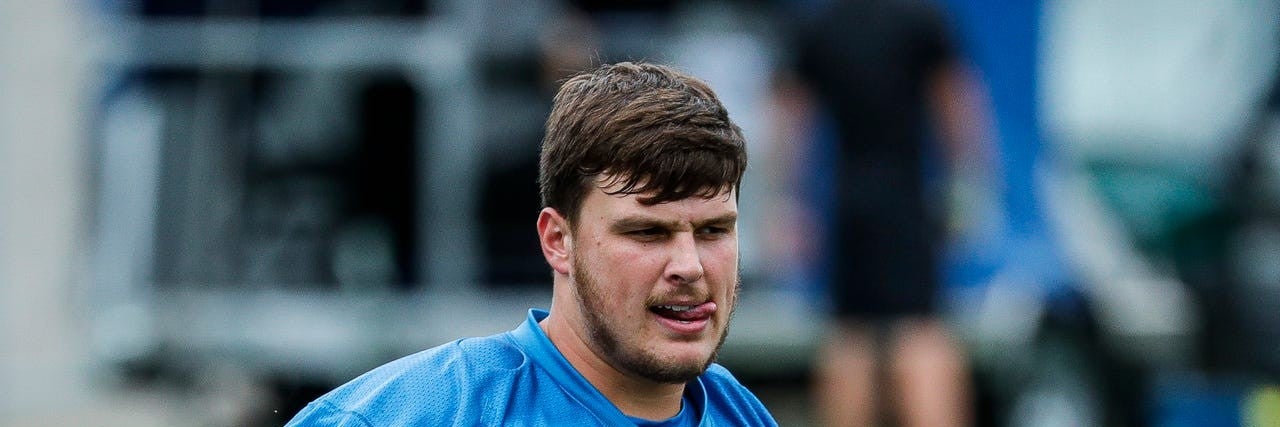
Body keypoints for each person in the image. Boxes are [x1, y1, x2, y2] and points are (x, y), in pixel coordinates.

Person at [285, 62, 778, 426]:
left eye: (714, 230)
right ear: (558, 240)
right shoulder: (427, 412)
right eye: (648, 232)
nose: (689, 266)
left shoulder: (743, 415)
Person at [784, 0, 989, 426]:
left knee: (849, 336)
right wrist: (968, 188)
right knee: (920, 333)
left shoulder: (821, 23)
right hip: (906, 202)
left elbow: (792, 118)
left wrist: (790, 202)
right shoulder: (921, 17)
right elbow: (956, 105)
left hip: (847, 205)